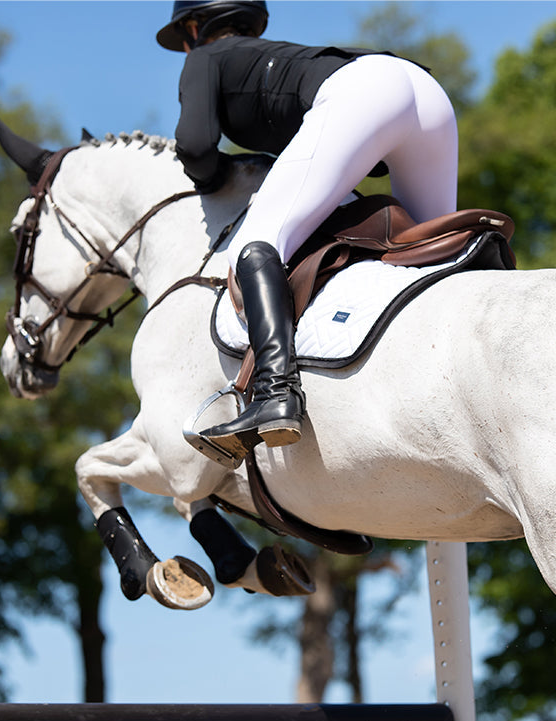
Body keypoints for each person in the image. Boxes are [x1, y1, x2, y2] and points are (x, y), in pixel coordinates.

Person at [157, 0, 458, 460]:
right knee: (435, 253)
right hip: (424, 90)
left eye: (185, 39)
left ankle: (275, 392)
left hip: (363, 92)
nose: (186, 47)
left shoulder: (205, 57)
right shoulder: (270, 56)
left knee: (255, 246)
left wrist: (216, 179)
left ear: (196, 26)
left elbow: (195, 146)